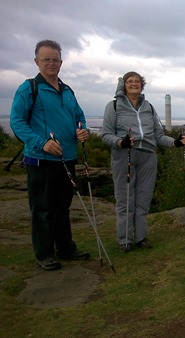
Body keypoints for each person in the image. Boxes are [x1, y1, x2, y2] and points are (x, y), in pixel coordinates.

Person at [10, 40, 90, 270]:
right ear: (37, 62)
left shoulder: (67, 90)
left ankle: (65, 248)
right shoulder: (29, 88)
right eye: (46, 59)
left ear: (61, 62)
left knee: (62, 208)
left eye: (55, 59)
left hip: (67, 158)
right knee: (42, 208)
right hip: (40, 159)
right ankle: (44, 254)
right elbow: (17, 122)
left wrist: (81, 129)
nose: (51, 63)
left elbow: (79, 115)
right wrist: (42, 143)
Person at [101, 71, 185, 252]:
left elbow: (158, 135)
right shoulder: (114, 106)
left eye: (137, 81)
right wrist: (120, 142)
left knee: (143, 199)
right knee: (125, 199)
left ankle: (141, 237)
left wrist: (175, 142)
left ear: (142, 85)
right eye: (130, 81)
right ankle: (125, 239)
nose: (134, 84)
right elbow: (105, 134)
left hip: (148, 155)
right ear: (123, 85)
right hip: (124, 154)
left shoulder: (148, 107)